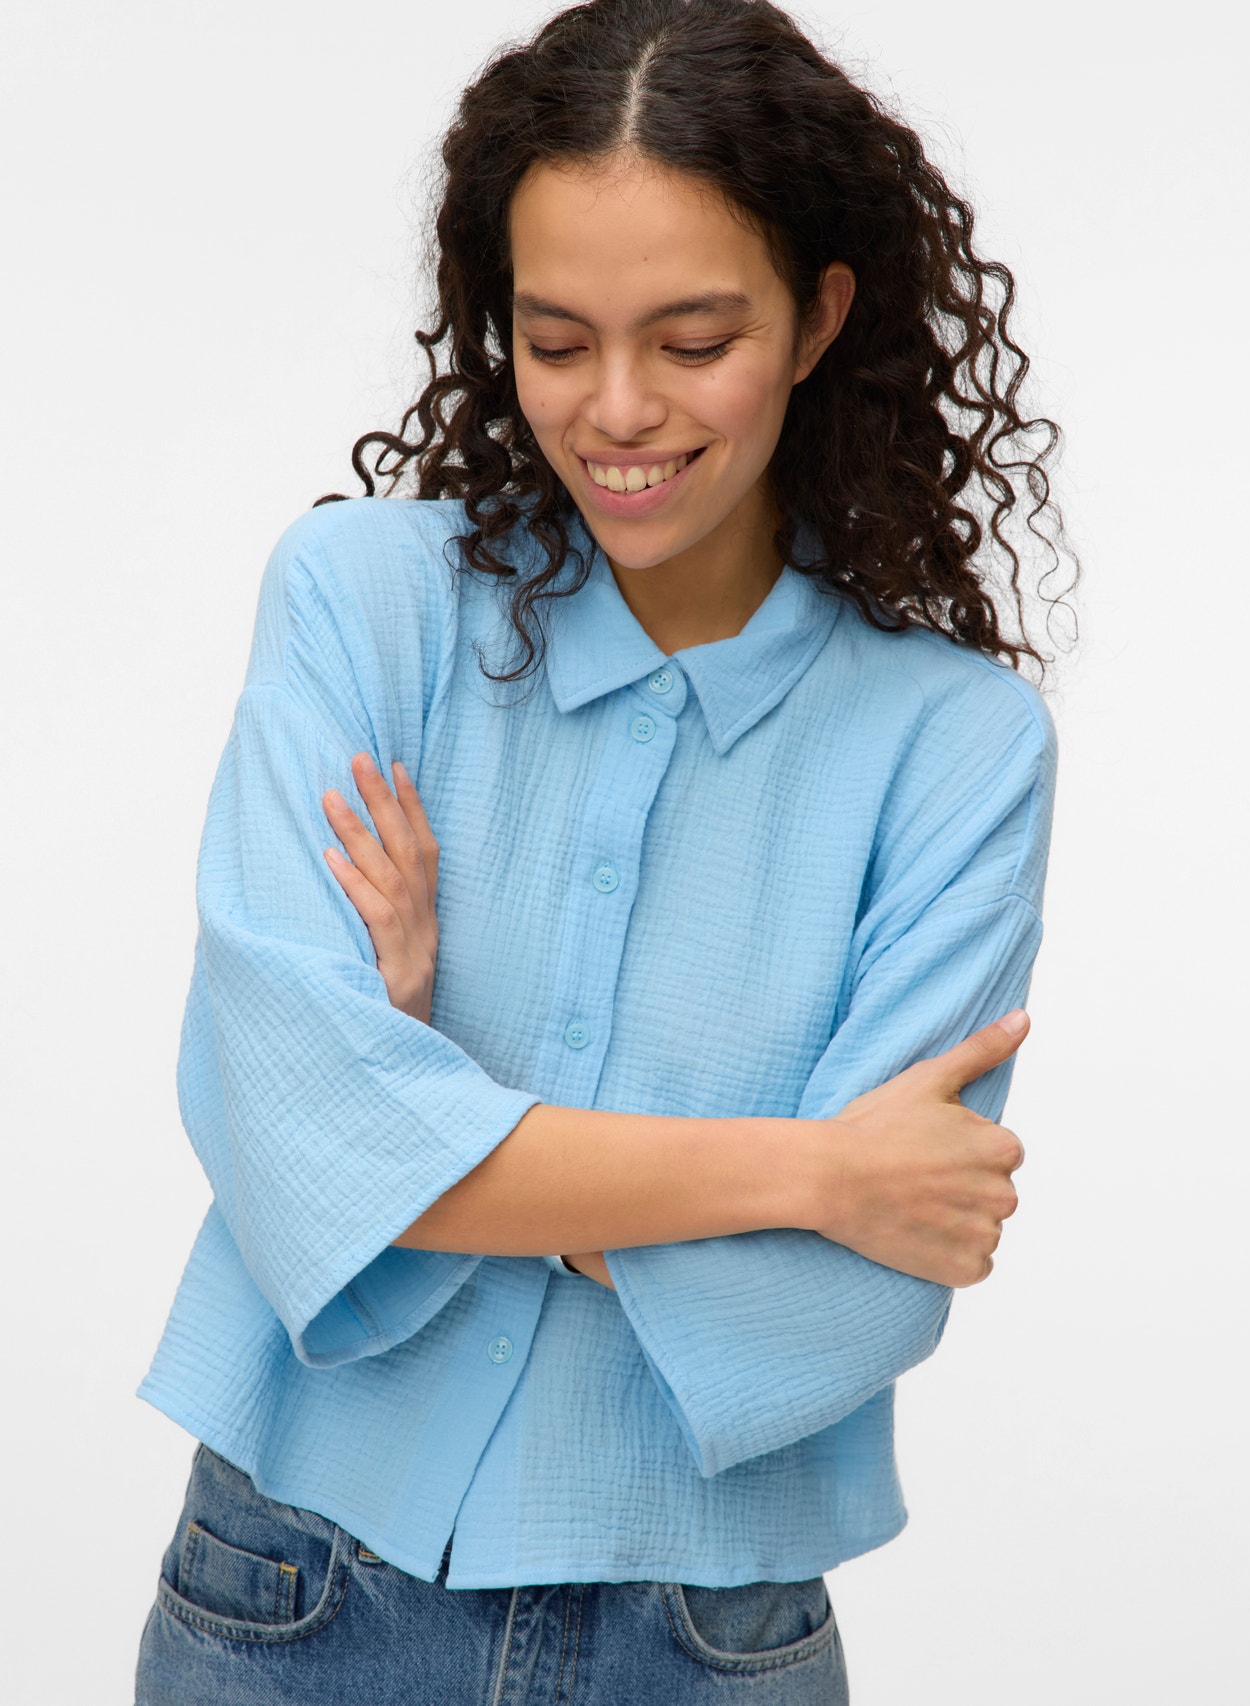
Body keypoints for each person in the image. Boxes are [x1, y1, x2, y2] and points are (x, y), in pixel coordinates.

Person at [134, 1, 1072, 1699]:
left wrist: (419, 1102)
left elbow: (862, 1297)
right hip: (290, 1596)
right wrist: (811, 1169)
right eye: (555, 340)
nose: (617, 411)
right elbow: (292, 1136)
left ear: (819, 316)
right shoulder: (363, 605)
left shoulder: (956, 748)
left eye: (694, 339)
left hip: (703, 1639)